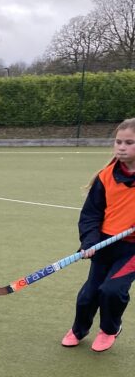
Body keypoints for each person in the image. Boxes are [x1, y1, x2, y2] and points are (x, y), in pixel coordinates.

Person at [61, 118, 135, 353]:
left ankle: (110, 329)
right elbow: (91, 214)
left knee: (111, 291)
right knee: (88, 294)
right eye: (118, 142)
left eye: (129, 142)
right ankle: (79, 329)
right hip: (105, 243)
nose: (121, 147)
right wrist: (90, 242)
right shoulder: (105, 177)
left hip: (131, 250)